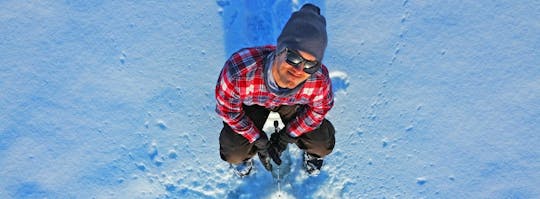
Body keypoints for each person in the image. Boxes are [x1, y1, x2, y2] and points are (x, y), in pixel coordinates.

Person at [215, 3, 335, 177]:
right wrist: (257, 138)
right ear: (279, 49)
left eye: (310, 64)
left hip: (293, 106)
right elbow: (229, 111)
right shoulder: (238, 71)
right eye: (293, 57)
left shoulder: (319, 80)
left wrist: (289, 134)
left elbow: (319, 110)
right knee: (234, 150)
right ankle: (243, 158)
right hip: (253, 106)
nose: (299, 70)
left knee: (322, 142)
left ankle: (311, 153)